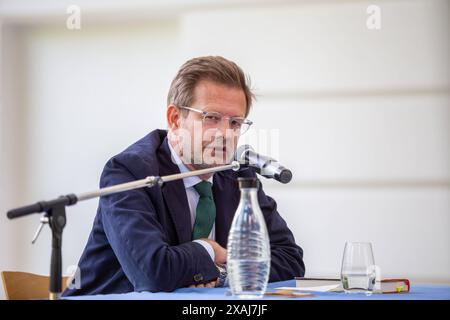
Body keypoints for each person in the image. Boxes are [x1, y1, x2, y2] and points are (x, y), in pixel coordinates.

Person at [63, 56, 305, 296]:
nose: (225, 133)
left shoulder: (238, 174)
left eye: (235, 123)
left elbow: (290, 259)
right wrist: (208, 250)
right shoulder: (129, 171)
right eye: (211, 118)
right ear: (175, 119)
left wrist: (220, 273)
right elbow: (152, 273)